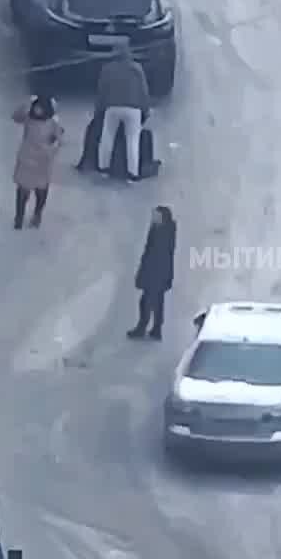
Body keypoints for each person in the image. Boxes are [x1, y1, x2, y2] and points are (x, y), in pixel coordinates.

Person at [94, 41, 150, 180]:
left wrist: (99, 109)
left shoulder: (107, 69)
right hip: (133, 108)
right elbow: (144, 91)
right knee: (132, 141)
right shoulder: (137, 68)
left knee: (107, 137)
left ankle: (103, 168)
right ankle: (133, 173)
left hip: (112, 106)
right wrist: (146, 110)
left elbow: (101, 91)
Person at [12, 94, 63, 229]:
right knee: (22, 191)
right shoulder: (28, 118)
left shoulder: (53, 123)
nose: (37, 111)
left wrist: (50, 152)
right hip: (26, 161)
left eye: (41, 108)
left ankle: (37, 214)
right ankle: (19, 218)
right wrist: (27, 103)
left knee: (41, 191)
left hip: (42, 163)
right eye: (36, 107)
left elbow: (59, 141)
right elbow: (16, 117)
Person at [128, 206, 177, 340]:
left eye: (156, 215)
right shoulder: (160, 229)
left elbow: (155, 254)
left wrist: (146, 273)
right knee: (157, 302)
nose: (153, 218)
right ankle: (155, 329)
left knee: (147, 302)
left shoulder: (163, 233)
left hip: (156, 274)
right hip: (157, 273)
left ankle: (143, 328)